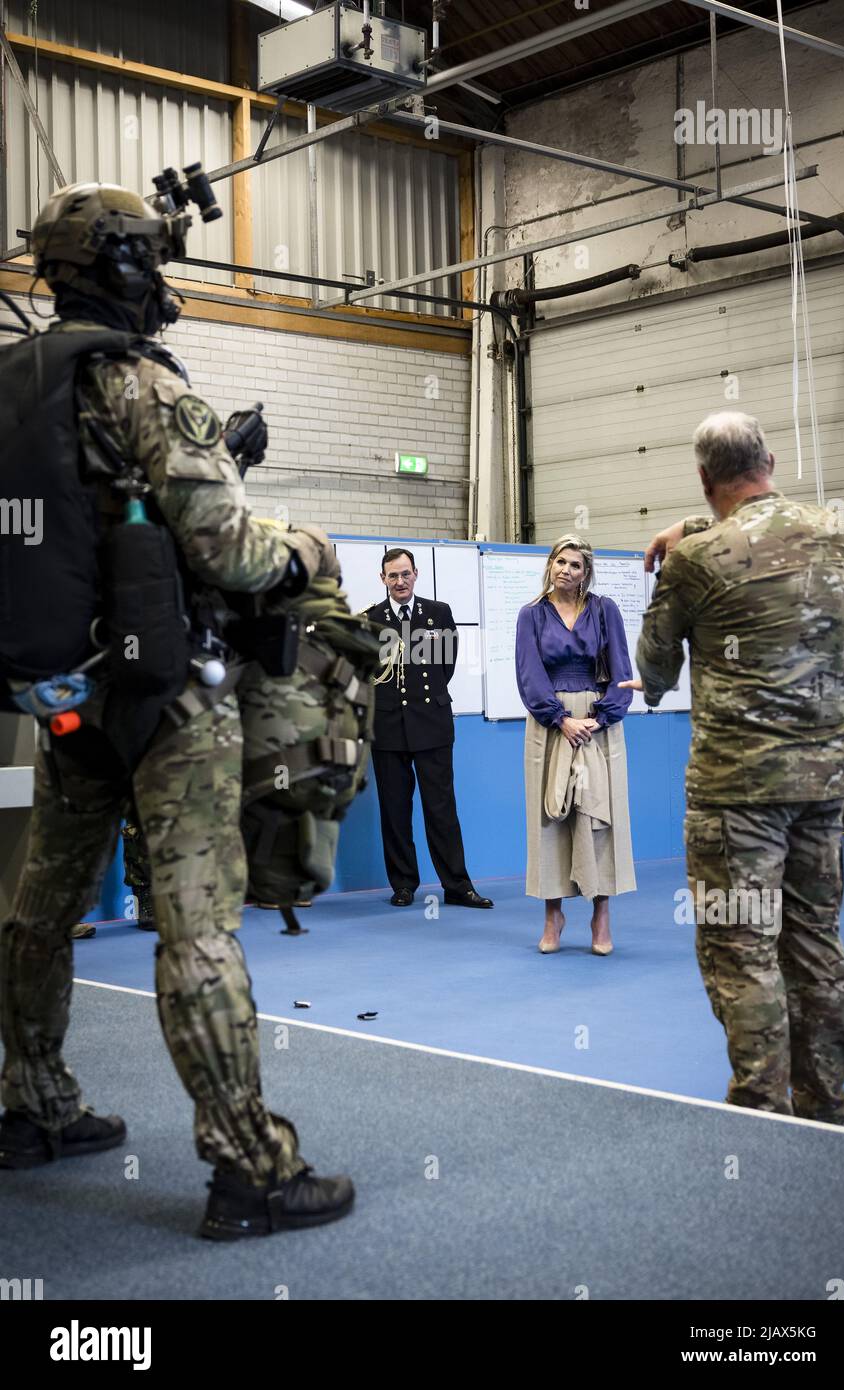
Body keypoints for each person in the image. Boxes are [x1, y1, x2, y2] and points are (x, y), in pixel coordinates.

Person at [0, 179, 354, 1237]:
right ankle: (251, 1167)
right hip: (171, 700)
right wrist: (306, 544)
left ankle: (31, 1105)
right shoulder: (142, 385)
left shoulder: (17, 384)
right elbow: (232, 555)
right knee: (199, 931)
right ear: (117, 264)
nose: (161, 275)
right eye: (148, 256)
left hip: (67, 697)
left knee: (38, 911)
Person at [621, 410, 844, 1121]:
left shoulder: (696, 563)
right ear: (771, 462)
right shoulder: (831, 534)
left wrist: (687, 536)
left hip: (737, 797)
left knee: (741, 949)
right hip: (821, 786)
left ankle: (759, 1110)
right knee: (815, 945)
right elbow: (767, 536)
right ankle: (824, 1108)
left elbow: (653, 668)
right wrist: (694, 527)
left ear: (702, 479)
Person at [516, 535, 635, 954]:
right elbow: (529, 675)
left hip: (598, 725)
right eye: (560, 562)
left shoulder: (605, 611)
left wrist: (598, 718)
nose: (566, 570)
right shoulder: (531, 615)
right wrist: (561, 719)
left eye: (575, 565)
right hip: (550, 727)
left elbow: (622, 673)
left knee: (599, 816)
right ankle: (553, 915)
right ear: (550, 565)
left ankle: (601, 914)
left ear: (586, 572)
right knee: (551, 817)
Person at [364, 548, 493, 910]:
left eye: (405, 574)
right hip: (388, 728)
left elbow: (445, 667)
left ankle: (457, 885)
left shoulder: (438, 614)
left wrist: (426, 702)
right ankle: (403, 884)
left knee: (441, 809)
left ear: (416, 574)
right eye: (393, 576)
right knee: (394, 810)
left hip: (431, 725)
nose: (400, 581)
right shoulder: (371, 620)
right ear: (383, 579)